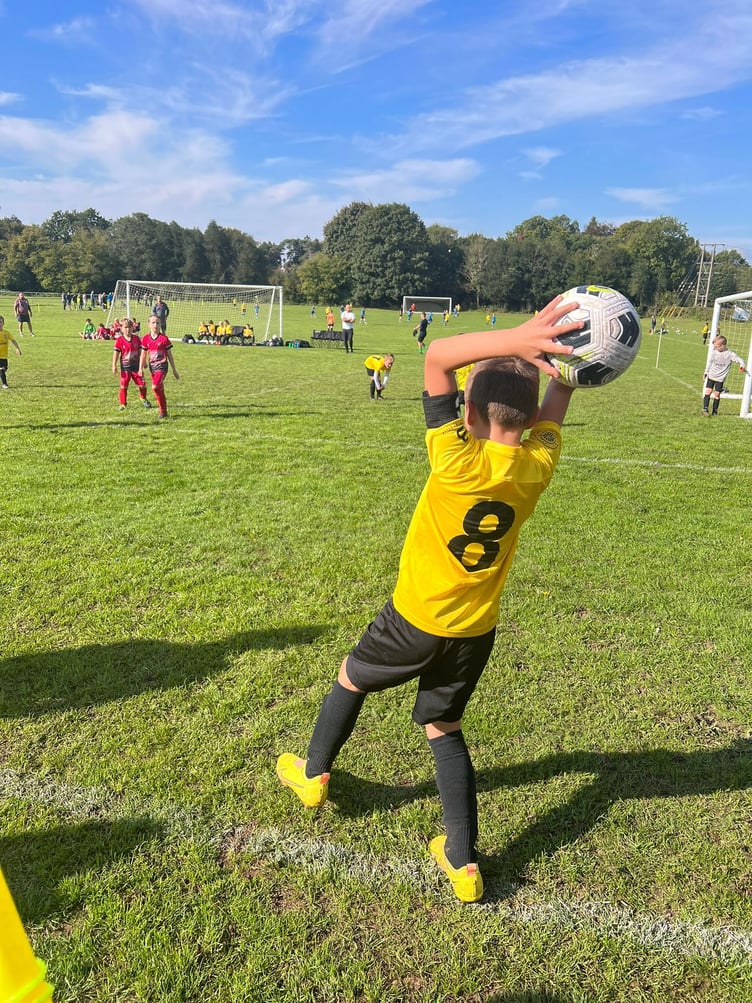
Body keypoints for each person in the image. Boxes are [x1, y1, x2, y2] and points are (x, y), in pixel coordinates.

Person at [276, 295, 582, 903]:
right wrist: (568, 370)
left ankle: (313, 776)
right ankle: (463, 863)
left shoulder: (452, 461)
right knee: (445, 727)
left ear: (465, 412)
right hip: (475, 631)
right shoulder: (538, 464)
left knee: (351, 677)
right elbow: (553, 407)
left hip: (413, 618)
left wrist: (519, 339)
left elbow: (439, 355)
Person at [139, 314, 179, 419]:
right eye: (153, 323)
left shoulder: (164, 339)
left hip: (162, 367)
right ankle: (163, 411)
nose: (155, 325)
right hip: (152, 367)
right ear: (148, 325)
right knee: (158, 389)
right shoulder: (145, 339)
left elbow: (170, 355)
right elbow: (143, 354)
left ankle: (162, 410)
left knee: (155, 386)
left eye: (157, 323)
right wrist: (140, 369)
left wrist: (174, 370)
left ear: (160, 325)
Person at [702, 335, 750, 416]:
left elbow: (740, 359)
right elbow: (710, 363)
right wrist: (706, 372)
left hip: (720, 378)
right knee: (708, 391)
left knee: (717, 394)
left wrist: (742, 366)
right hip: (711, 375)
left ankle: (715, 411)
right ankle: (705, 409)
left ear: (723, 345)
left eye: (717, 346)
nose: (715, 348)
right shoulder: (714, 352)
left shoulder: (730, 354)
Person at [112, 318, 151, 411]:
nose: (128, 329)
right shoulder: (119, 340)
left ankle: (143, 398)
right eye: (125, 327)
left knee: (142, 384)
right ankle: (123, 404)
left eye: (129, 327)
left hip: (136, 367)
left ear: (133, 328)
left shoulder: (137, 339)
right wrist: (114, 365)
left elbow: (141, 351)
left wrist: (144, 362)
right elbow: (116, 353)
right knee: (124, 385)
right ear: (121, 328)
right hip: (125, 367)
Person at [0, 316, 21, 388]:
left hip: (4, 356)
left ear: (3, 323)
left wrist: (17, 348)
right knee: (2, 369)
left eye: (0, 322)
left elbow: (13, 340)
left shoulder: (6, 333)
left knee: (5, 369)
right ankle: (4, 384)